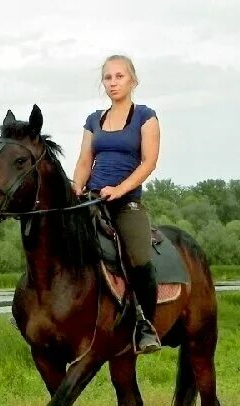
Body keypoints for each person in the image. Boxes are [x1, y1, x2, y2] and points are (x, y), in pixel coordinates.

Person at [72, 54, 162, 354]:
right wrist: (77, 187)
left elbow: (149, 162)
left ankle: (144, 324)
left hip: (127, 203)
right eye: (108, 77)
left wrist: (120, 189)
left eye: (119, 76)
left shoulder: (145, 117)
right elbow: (85, 160)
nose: (113, 82)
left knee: (138, 258)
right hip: (93, 199)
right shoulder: (93, 120)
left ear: (132, 80)